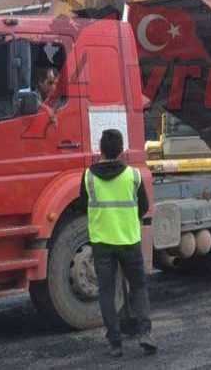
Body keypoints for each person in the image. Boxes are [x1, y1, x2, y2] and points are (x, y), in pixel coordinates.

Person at [79, 129, 156, 358]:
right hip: (129, 240)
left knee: (106, 292)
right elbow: (143, 207)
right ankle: (145, 334)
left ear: (101, 149)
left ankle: (115, 343)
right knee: (139, 287)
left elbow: (84, 206)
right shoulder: (133, 175)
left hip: (102, 243)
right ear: (121, 150)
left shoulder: (88, 176)